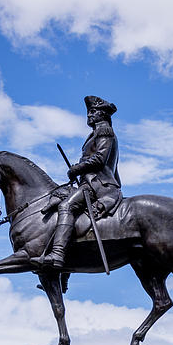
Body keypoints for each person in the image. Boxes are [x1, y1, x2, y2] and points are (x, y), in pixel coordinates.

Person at [34, 95, 121, 270]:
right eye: (88, 112)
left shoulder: (104, 131)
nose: (89, 115)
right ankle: (64, 271)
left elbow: (99, 159)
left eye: (93, 112)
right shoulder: (95, 134)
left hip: (100, 186)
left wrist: (78, 168)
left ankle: (57, 254)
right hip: (90, 183)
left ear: (103, 114)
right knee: (58, 196)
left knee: (66, 206)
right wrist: (79, 172)